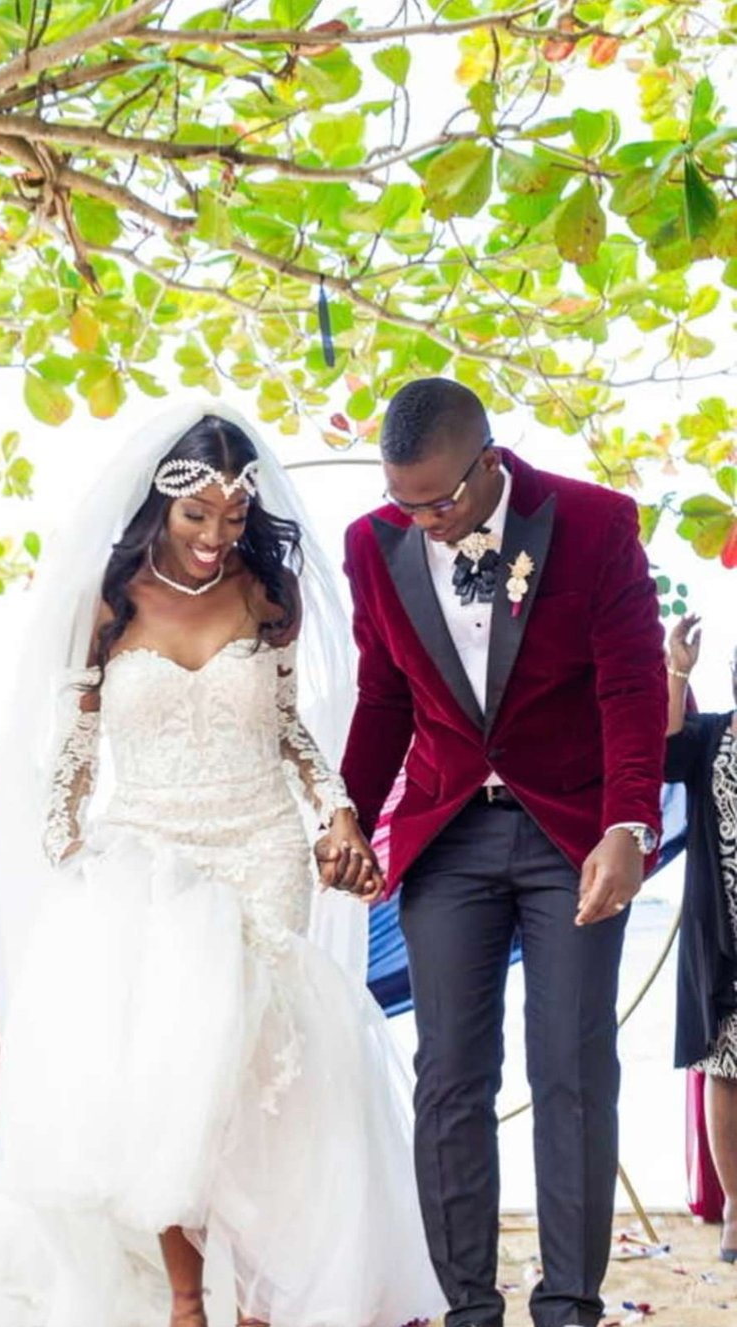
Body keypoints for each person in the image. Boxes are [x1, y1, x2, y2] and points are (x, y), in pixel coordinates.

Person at [0, 404, 444, 1327]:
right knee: (172, 1074)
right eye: (198, 517)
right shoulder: (109, 601)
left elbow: (289, 732)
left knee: (261, 1076)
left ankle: (263, 1296)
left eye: (234, 519)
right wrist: (62, 840)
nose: (216, 538)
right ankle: (189, 1300)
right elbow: (75, 741)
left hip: (258, 843)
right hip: (148, 851)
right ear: (160, 501)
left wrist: (341, 812)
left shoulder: (268, 593)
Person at [335, 378, 667, 1327]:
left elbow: (633, 686)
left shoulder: (596, 523)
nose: (423, 522)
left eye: (439, 501)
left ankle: (570, 1304)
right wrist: (352, 812)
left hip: (571, 829)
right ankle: (466, 1306)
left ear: (488, 460)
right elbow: (384, 697)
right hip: (446, 835)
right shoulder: (374, 543)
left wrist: (628, 824)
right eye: (405, 503)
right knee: (450, 1076)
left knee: (570, 1066)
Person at [664, 614, 737, 1262]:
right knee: (726, 1064)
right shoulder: (713, 736)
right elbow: (662, 754)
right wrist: (677, 671)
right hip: (725, 934)